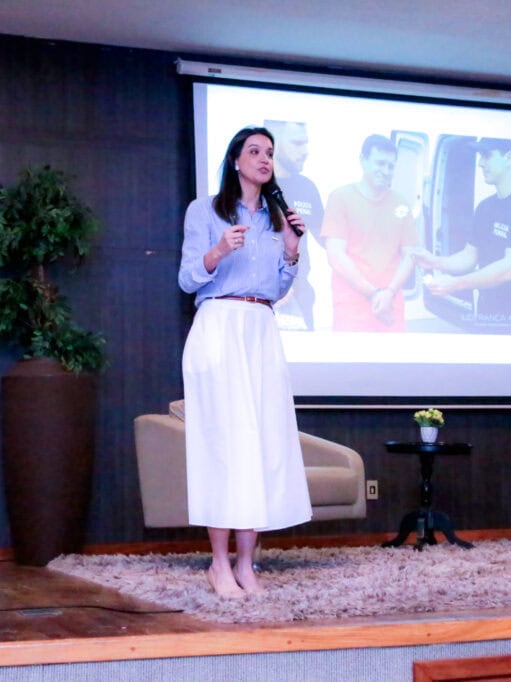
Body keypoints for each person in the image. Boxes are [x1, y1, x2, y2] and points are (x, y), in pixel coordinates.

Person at [177, 126, 312, 598]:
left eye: (270, 153)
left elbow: (276, 288)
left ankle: (247, 565)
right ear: (236, 160)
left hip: (260, 326)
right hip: (219, 324)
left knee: (259, 445)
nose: (264, 158)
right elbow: (188, 278)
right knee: (223, 446)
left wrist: (292, 253)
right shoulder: (205, 210)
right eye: (254, 151)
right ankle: (218, 564)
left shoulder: (276, 219)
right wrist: (218, 251)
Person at [414, 137, 511, 334]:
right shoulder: (485, 207)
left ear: (509, 158)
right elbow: (469, 255)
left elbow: (510, 269)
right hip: (485, 315)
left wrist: (456, 284)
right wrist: (434, 262)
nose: (480, 162)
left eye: (487, 155)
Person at [321, 134, 419, 332]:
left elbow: (410, 256)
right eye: (380, 163)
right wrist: (374, 294)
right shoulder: (340, 198)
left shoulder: (401, 204)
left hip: (391, 309)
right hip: (351, 311)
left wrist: (389, 293)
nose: (386, 171)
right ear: (363, 160)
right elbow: (335, 256)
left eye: (391, 166)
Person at [264, 119, 325, 330]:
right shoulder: (253, 187)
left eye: (306, 143)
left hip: (300, 295)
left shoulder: (307, 187)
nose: (306, 151)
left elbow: (326, 238)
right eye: (298, 144)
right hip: (260, 297)